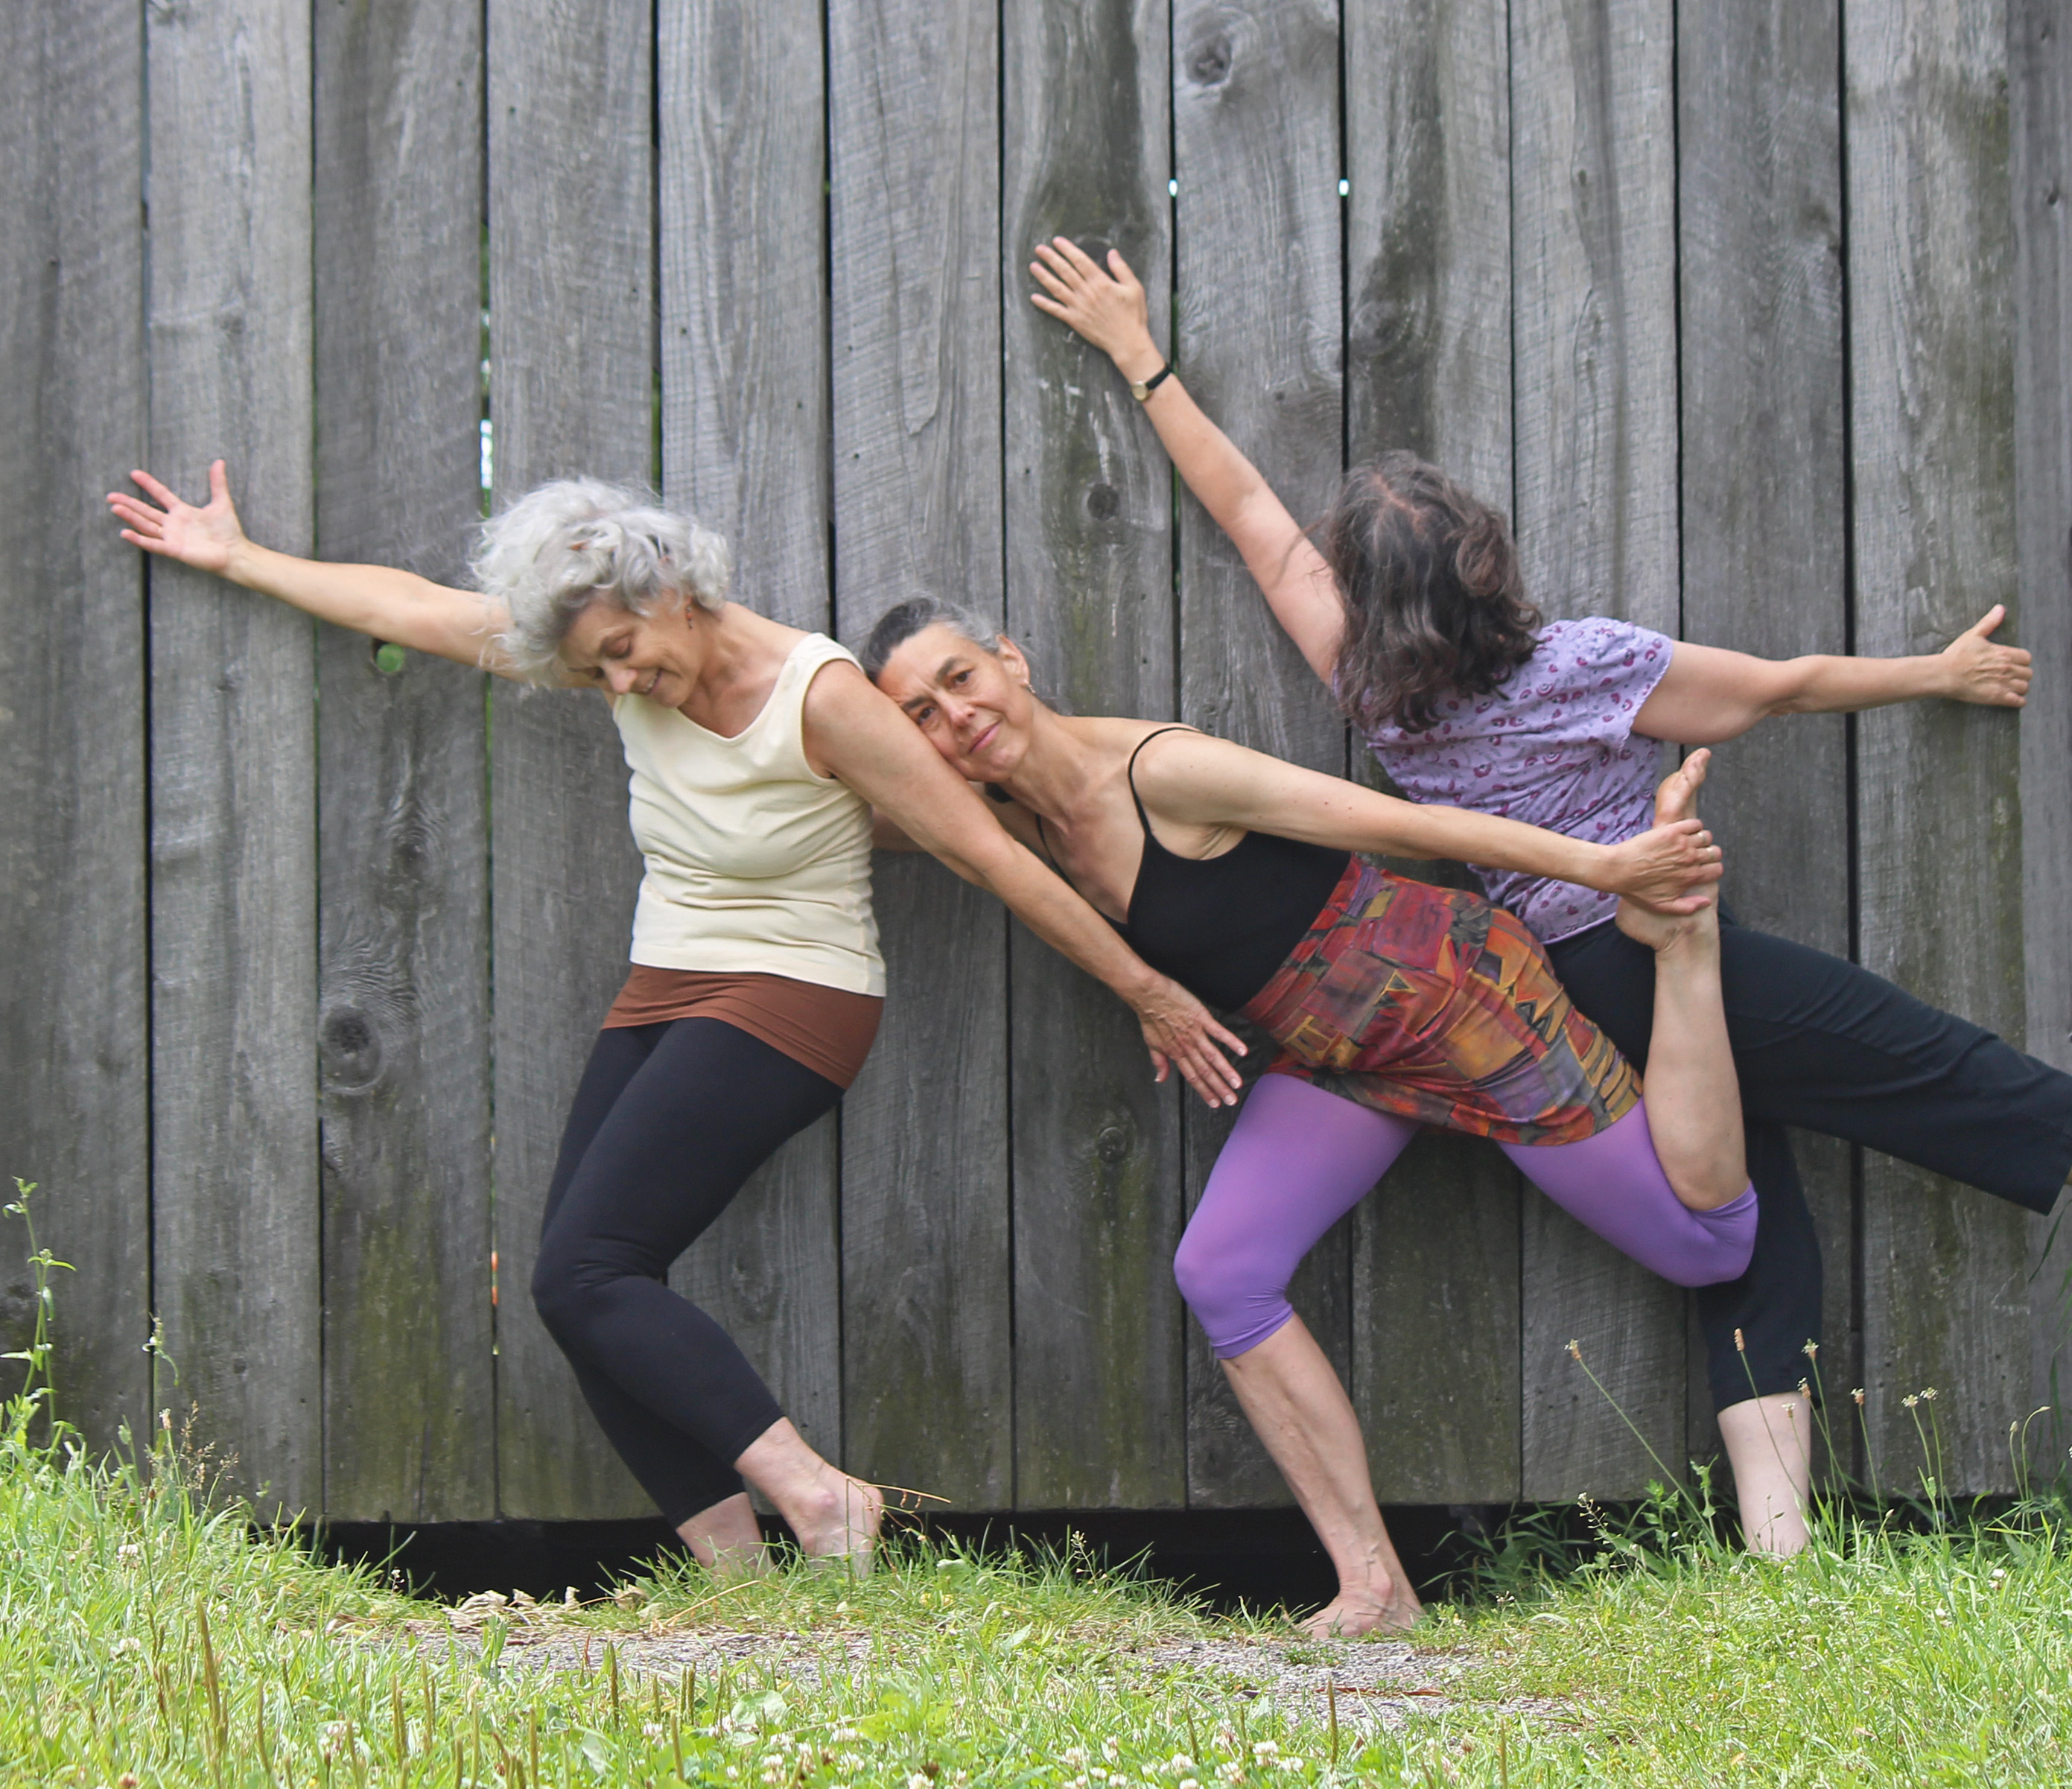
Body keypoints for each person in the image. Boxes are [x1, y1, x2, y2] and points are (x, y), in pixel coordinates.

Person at [1026, 235, 2072, 1555]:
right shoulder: (1581, 665)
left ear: (1372, 604)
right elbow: (1782, 688)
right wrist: (1931, 673)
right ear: (1487, 560)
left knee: (1754, 1216)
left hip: (1548, 997)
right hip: (1650, 946)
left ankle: (1782, 1543)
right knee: (1943, 1072)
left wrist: (1144, 362)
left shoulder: (1374, 692)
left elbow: (1257, 524)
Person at [106, 463, 1253, 1576]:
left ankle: (821, 1497)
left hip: (799, 989)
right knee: (577, 1284)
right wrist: (240, 555)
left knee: (589, 1270)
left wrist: (1144, 987)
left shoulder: (823, 697)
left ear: (670, 592)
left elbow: (987, 853)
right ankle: (734, 1573)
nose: (613, 685)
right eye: (591, 667)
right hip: (669, 980)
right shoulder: (599, 646)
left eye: (621, 654)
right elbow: (411, 607)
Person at [863, 600, 1750, 1636]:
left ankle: (1684, 949)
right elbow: (872, 800)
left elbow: (1389, 823)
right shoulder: (1012, 819)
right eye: (919, 713)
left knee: (1709, 1244)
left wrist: (1602, 866)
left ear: (1010, 659)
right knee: (1222, 1272)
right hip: (1337, 1054)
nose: (954, 717)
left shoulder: (1162, 773)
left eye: (960, 679)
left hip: (1455, 996)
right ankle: (1377, 1586)